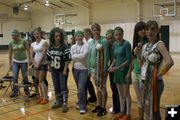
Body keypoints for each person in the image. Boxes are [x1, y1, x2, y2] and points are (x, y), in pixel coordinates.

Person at [140, 20, 174, 120]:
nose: (149, 32)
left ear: (157, 31)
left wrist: (159, 74)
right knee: (147, 107)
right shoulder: (145, 46)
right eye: (147, 29)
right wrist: (138, 56)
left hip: (156, 83)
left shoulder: (159, 44)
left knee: (154, 110)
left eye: (152, 29)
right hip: (144, 81)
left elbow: (170, 61)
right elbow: (143, 64)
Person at [109, 27, 132, 120]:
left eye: (119, 34)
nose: (118, 36)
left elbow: (129, 60)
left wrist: (117, 68)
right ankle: (122, 112)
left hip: (124, 72)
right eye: (116, 35)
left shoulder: (126, 44)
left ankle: (128, 114)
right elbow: (115, 58)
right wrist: (111, 65)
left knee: (126, 94)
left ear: (122, 34)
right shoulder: (115, 44)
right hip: (117, 72)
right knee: (120, 94)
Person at [126, 21, 147, 120]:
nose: (143, 31)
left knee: (144, 99)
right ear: (136, 31)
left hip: (145, 75)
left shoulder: (148, 43)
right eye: (140, 29)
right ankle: (140, 118)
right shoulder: (136, 44)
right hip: (135, 73)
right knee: (139, 99)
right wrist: (129, 72)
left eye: (144, 29)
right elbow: (133, 60)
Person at [46, 27, 70, 113]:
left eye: (59, 36)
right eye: (56, 36)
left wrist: (65, 69)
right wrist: (49, 66)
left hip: (62, 70)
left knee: (63, 87)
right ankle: (58, 101)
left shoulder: (64, 47)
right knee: (56, 87)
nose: (58, 38)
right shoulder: (51, 47)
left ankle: (64, 103)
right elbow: (48, 58)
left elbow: (67, 60)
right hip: (54, 70)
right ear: (53, 37)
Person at [88, 23, 109, 116]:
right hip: (93, 69)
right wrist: (89, 68)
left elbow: (106, 56)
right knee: (98, 88)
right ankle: (99, 105)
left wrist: (104, 69)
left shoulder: (104, 41)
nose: (95, 31)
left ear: (100, 30)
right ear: (92, 31)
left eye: (97, 29)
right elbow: (89, 56)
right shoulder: (91, 42)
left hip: (101, 69)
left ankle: (103, 107)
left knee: (103, 88)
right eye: (94, 29)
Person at [70, 30, 89, 114]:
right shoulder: (73, 46)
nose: (79, 37)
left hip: (84, 69)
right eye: (78, 36)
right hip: (75, 69)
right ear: (75, 37)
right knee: (79, 88)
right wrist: (78, 57)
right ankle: (81, 102)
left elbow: (85, 56)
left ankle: (82, 106)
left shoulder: (86, 45)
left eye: (81, 36)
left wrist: (75, 56)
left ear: (83, 37)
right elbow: (71, 57)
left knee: (81, 88)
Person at [8, 29, 30, 98]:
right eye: (12, 35)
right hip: (15, 62)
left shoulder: (23, 41)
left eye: (14, 35)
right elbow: (10, 53)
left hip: (24, 62)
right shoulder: (11, 43)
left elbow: (28, 50)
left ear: (18, 35)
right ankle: (15, 92)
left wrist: (30, 59)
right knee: (14, 77)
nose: (13, 37)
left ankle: (26, 91)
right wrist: (10, 63)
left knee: (25, 77)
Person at [30, 28, 49, 104]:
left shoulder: (44, 42)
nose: (36, 35)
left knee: (41, 81)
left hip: (43, 64)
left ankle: (45, 98)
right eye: (35, 34)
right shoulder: (32, 44)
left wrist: (38, 64)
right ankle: (42, 97)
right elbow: (31, 55)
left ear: (40, 34)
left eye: (37, 34)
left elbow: (44, 54)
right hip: (36, 64)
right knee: (38, 81)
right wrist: (34, 63)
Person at [105, 29, 120, 114]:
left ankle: (122, 107)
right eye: (108, 38)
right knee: (114, 89)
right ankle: (116, 107)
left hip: (119, 70)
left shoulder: (118, 45)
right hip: (112, 70)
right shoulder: (109, 46)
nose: (110, 40)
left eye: (111, 38)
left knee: (119, 90)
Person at [83, 28, 97, 103]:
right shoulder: (86, 42)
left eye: (84, 33)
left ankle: (91, 97)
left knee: (87, 82)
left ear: (88, 33)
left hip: (90, 65)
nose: (83, 34)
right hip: (86, 64)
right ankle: (93, 96)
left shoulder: (91, 41)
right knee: (87, 82)